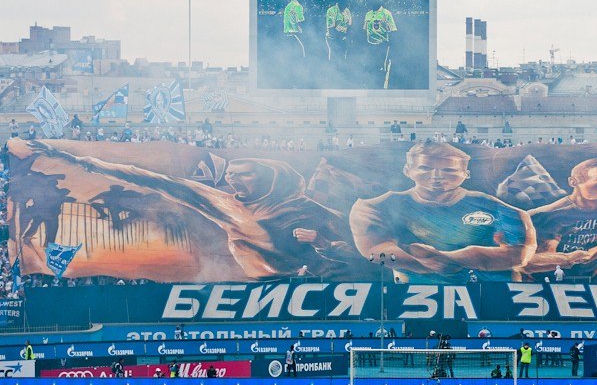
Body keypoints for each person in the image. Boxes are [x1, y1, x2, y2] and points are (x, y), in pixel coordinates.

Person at [28, 143, 364, 280]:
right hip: (267, 283)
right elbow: (155, 180)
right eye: (230, 173)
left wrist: (322, 243)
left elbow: (363, 254)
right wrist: (86, 162)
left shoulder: (311, 211)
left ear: (270, 178)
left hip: (307, 285)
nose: (231, 179)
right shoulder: (227, 205)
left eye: (243, 174)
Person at [350, 143, 536, 283]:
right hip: (412, 297)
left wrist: (445, 259)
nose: (437, 176)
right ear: (408, 170)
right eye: (425, 168)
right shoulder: (376, 206)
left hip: (490, 299)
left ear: (465, 174)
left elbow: (521, 254)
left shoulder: (498, 208)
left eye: (448, 170)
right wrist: (425, 263)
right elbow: (374, 250)